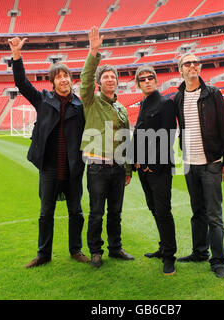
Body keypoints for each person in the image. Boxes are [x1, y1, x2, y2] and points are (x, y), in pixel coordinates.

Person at [9, 37, 89, 268]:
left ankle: (76, 250)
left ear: (71, 81)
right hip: (49, 167)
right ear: (53, 82)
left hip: (73, 165)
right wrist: (17, 55)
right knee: (46, 213)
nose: (64, 80)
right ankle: (43, 253)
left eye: (66, 76)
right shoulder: (43, 100)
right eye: (59, 77)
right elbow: (22, 83)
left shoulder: (79, 105)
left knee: (76, 212)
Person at [174, 53, 224, 278]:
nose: (192, 66)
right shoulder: (178, 97)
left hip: (211, 163)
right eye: (188, 63)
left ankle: (217, 260)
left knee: (214, 214)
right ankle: (199, 252)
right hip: (190, 163)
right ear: (180, 70)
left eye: (195, 62)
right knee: (197, 211)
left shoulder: (213, 94)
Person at [80, 26, 134, 268]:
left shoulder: (121, 108)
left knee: (115, 212)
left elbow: (126, 139)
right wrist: (94, 52)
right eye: (106, 77)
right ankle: (95, 251)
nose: (110, 79)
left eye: (113, 76)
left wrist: (128, 169)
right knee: (96, 213)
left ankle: (115, 248)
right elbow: (84, 79)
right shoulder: (91, 101)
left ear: (117, 82)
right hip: (97, 167)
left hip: (118, 168)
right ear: (100, 82)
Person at [132, 65, 177, 275]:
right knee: (154, 208)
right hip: (144, 169)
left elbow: (167, 137)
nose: (147, 81)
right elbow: (139, 135)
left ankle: (170, 257)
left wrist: (152, 164)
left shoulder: (165, 103)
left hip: (158, 169)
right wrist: (134, 161)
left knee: (163, 211)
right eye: (143, 79)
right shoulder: (144, 103)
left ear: (156, 80)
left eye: (150, 78)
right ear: (138, 84)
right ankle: (162, 247)